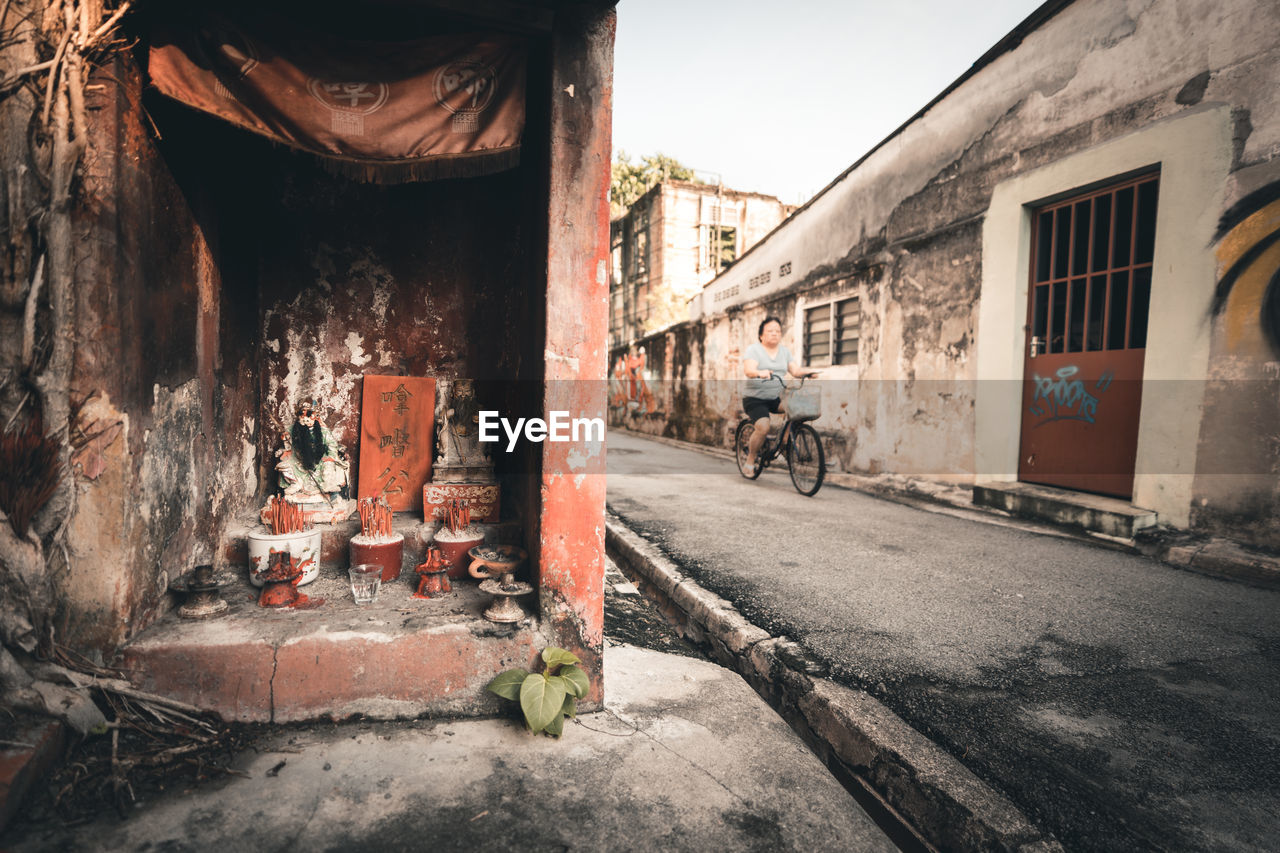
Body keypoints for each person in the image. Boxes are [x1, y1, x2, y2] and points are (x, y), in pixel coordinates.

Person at [741, 316, 818, 475]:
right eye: (770, 331)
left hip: (775, 398)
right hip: (755, 399)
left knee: (798, 410)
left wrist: (808, 373)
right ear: (761, 335)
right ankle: (750, 459)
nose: (774, 333)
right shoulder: (754, 350)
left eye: (777, 331)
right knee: (763, 427)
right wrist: (759, 372)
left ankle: (784, 443)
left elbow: (795, 371)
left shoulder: (784, 352)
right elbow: (749, 370)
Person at [276, 399, 350, 504]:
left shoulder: (323, 430)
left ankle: (331, 493)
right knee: (285, 465)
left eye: (309, 415)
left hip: (319, 458)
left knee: (328, 466)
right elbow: (288, 438)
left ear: (315, 416)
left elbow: (332, 444)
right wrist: (285, 437)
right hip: (300, 458)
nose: (306, 418)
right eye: (302, 415)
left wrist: (331, 456)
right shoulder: (295, 428)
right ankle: (295, 486)